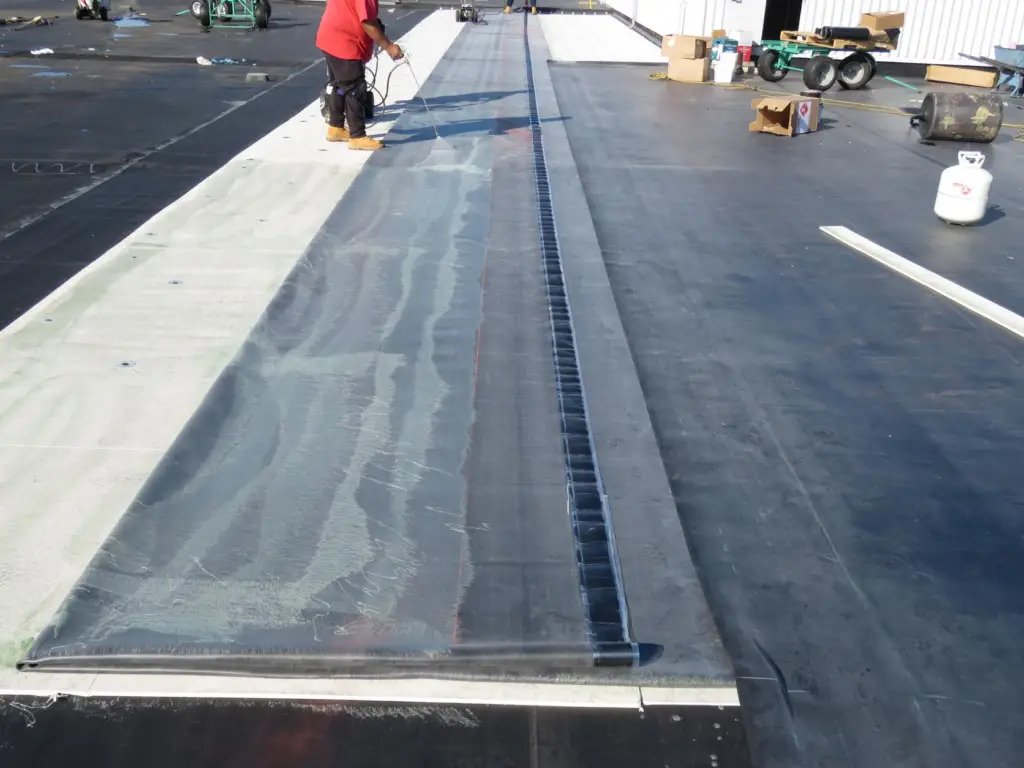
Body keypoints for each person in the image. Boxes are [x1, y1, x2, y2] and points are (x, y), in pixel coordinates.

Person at [316, 0, 404, 151]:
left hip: (329, 37)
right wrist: (389, 47)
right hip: (345, 43)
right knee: (355, 87)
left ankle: (335, 127)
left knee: (339, 85)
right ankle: (357, 136)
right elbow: (366, 22)